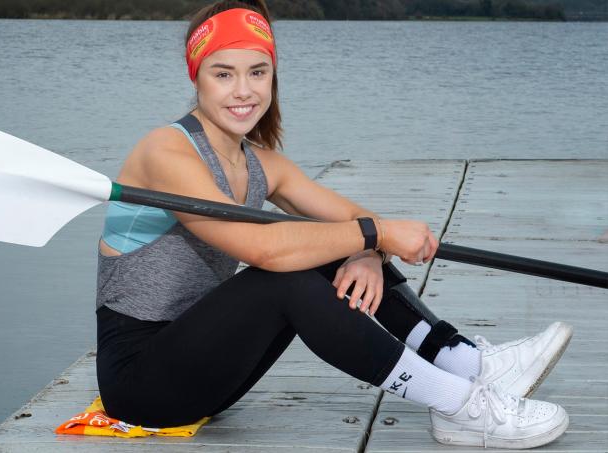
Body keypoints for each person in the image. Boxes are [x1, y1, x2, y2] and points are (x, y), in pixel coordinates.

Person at [94, 0, 572, 448]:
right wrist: (376, 236)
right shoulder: (166, 151)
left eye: (257, 72)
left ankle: (467, 364)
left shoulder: (261, 162)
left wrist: (368, 251)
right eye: (224, 74)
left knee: (329, 248)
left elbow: (357, 219)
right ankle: (459, 405)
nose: (244, 90)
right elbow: (264, 251)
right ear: (197, 79)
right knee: (287, 277)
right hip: (141, 384)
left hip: (210, 373)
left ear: (272, 77)